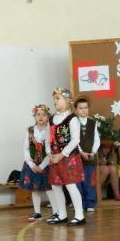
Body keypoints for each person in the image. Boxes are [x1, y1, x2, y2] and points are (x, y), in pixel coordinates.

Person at [45, 87, 86, 226]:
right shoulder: (52, 119)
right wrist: (49, 153)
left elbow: (75, 140)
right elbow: (48, 138)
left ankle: (79, 215)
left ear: (67, 100)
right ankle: (62, 214)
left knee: (70, 185)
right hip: (54, 157)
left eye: (58, 98)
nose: (55, 101)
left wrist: (61, 155)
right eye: (54, 99)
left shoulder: (72, 118)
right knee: (56, 186)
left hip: (68, 157)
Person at [20, 104, 56, 221]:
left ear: (48, 117)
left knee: (49, 189)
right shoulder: (30, 130)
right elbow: (26, 149)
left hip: (46, 165)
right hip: (32, 165)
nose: (41, 117)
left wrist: (43, 165)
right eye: (38, 115)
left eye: (44, 115)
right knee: (34, 189)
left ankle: (56, 212)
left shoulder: (50, 131)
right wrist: (32, 165)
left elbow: (50, 150)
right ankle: (37, 212)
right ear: (34, 116)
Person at [74, 97, 100, 212]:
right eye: (81, 108)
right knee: (78, 181)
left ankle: (90, 203)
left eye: (85, 108)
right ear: (76, 110)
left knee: (90, 180)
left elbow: (96, 139)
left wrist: (93, 152)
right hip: (77, 157)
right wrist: (80, 152)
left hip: (90, 156)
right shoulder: (74, 122)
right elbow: (73, 140)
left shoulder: (92, 123)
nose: (84, 110)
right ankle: (79, 203)